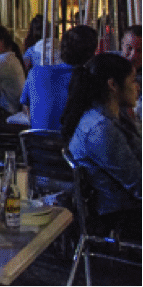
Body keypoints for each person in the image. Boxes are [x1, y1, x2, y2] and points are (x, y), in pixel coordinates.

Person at [61, 53, 141, 236]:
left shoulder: (107, 117)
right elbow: (138, 185)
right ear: (113, 85)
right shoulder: (101, 129)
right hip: (120, 216)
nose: (137, 86)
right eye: (132, 80)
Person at [20, 25, 97, 130]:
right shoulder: (89, 80)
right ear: (92, 53)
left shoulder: (35, 72)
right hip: (69, 139)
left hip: (37, 138)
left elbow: (26, 107)